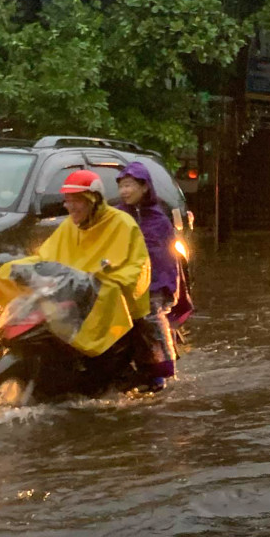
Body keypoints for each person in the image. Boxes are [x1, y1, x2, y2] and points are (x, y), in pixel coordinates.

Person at [0, 169, 151, 357]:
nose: (70, 207)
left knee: (111, 297)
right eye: (67, 200)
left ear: (93, 200)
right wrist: (16, 268)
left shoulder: (123, 224)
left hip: (100, 297)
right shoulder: (70, 225)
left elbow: (133, 268)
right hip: (71, 293)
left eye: (76, 200)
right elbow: (47, 256)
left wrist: (106, 280)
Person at [116, 161, 180, 392]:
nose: (124, 191)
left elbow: (166, 260)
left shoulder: (159, 221)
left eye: (129, 185)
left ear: (144, 187)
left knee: (151, 321)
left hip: (154, 285)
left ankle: (161, 372)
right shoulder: (118, 217)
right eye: (121, 186)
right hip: (124, 282)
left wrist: (163, 287)